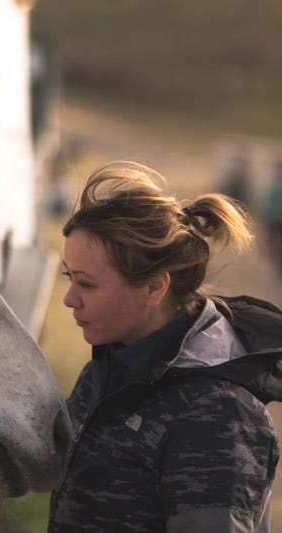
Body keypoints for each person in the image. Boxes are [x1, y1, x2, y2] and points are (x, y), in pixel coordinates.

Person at [49, 161, 282, 532]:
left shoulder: (218, 415)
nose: (69, 299)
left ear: (154, 288)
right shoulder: (105, 371)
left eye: (86, 284)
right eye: (69, 278)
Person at [262, 159, 282, 274]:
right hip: (275, 218)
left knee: (273, 243)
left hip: (274, 218)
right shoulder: (275, 181)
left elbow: (270, 202)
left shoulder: (276, 182)